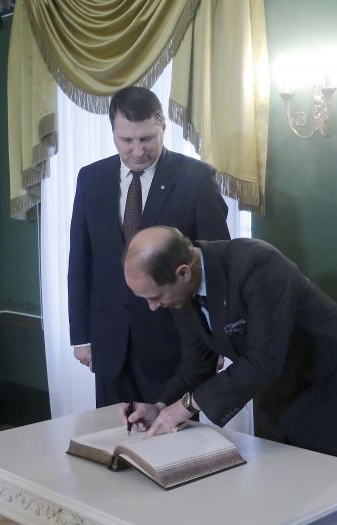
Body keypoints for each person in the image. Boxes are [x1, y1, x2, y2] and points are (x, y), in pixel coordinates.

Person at [121, 226, 337, 461]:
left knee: (326, 496)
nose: (153, 306)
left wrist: (188, 405)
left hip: (336, 391)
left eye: (155, 297)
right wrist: (161, 408)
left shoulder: (257, 263)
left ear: (183, 272)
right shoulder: (181, 292)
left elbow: (265, 359)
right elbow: (196, 364)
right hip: (283, 396)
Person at [68, 86, 230, 408]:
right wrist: (82, 336)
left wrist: (218, 338)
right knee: (114, 431)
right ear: (113, 132)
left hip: (176, 345)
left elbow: (217, 264)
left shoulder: (196, 179)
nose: (138, 151)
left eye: (146, 139)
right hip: (109, 341)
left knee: (171, 434)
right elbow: (80, 260)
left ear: (162, 126)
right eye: (126, 140)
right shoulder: (91, 178)